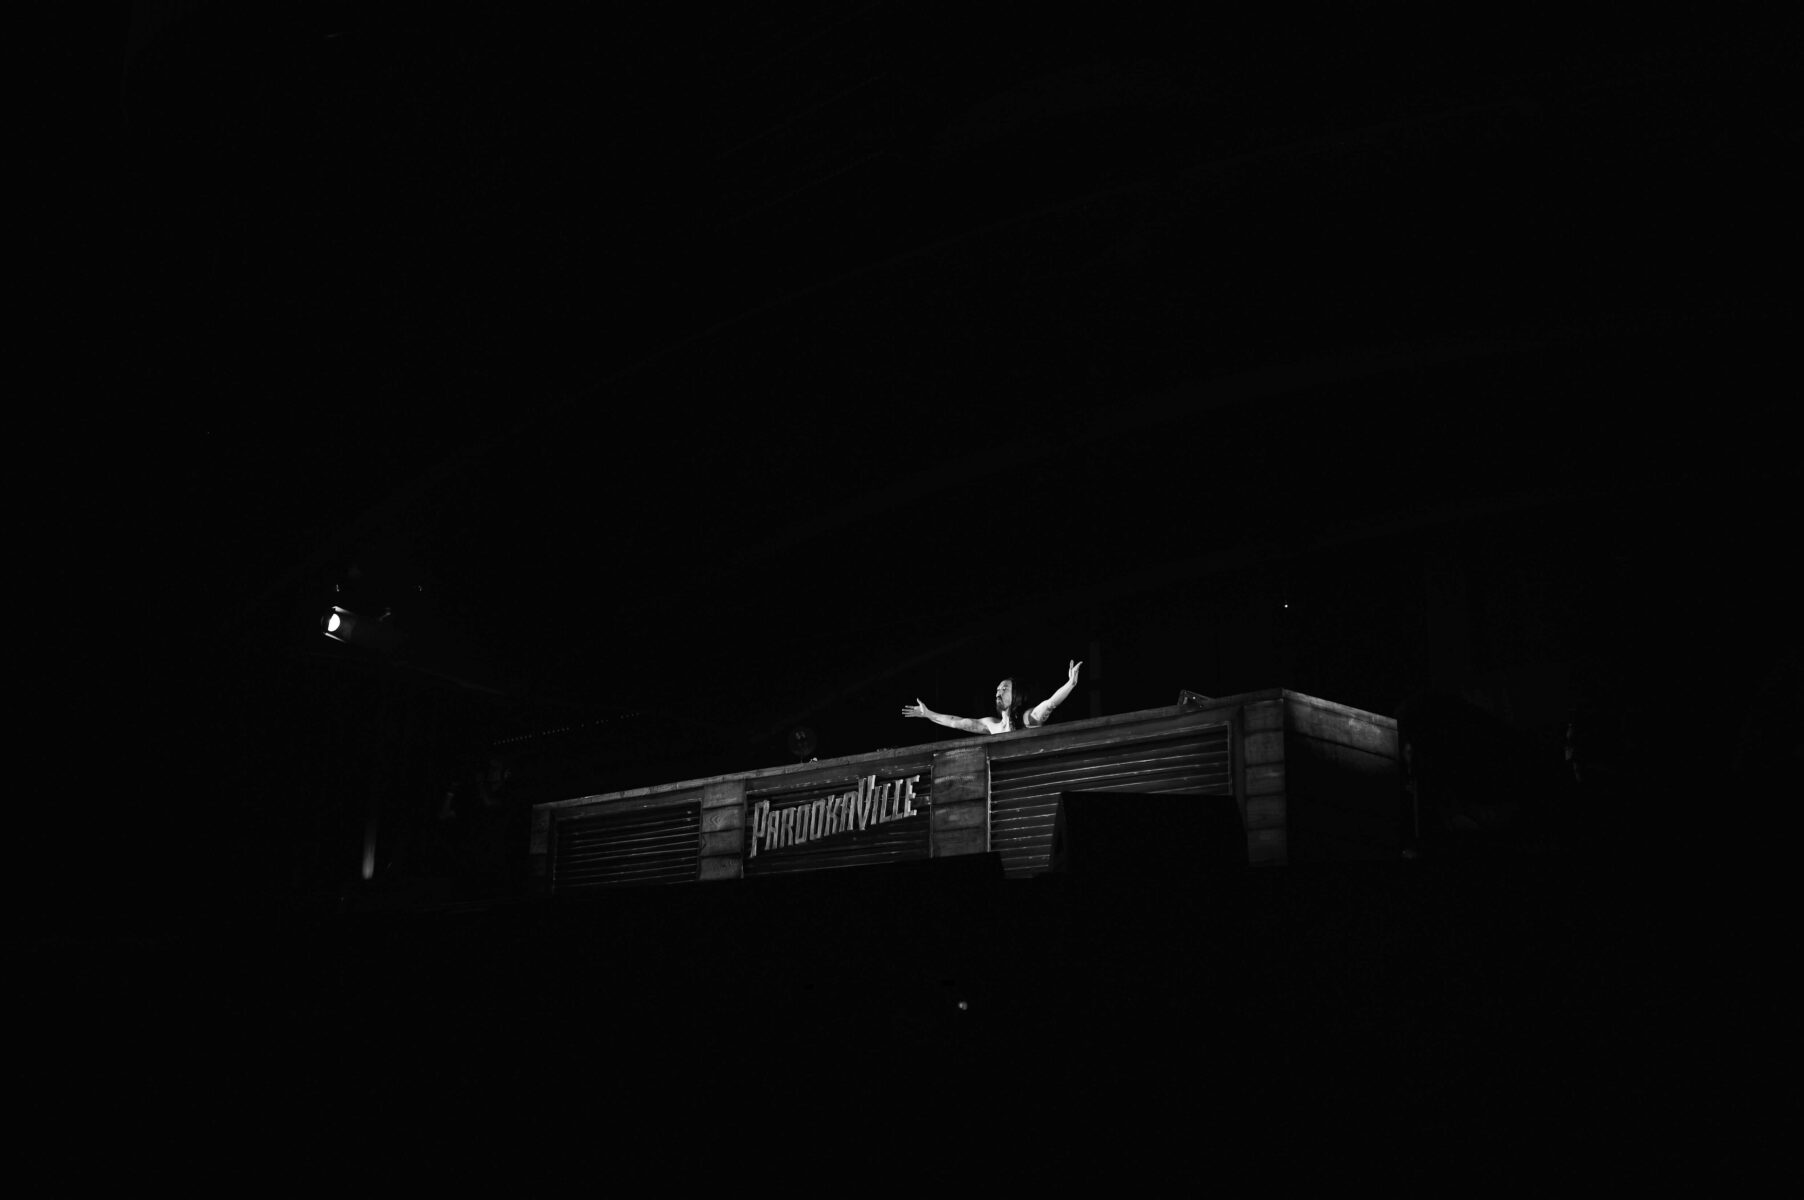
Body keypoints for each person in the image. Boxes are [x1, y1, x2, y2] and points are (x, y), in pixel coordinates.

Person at [902, 661, 1083, 734]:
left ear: (1016, 694)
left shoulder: (1028, 719)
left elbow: (1050, 704)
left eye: (1004, 689)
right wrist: (928, 714)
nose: (998, 692)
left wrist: (1070, 684)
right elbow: (956, 722)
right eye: (997, 689)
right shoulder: (992, 725)